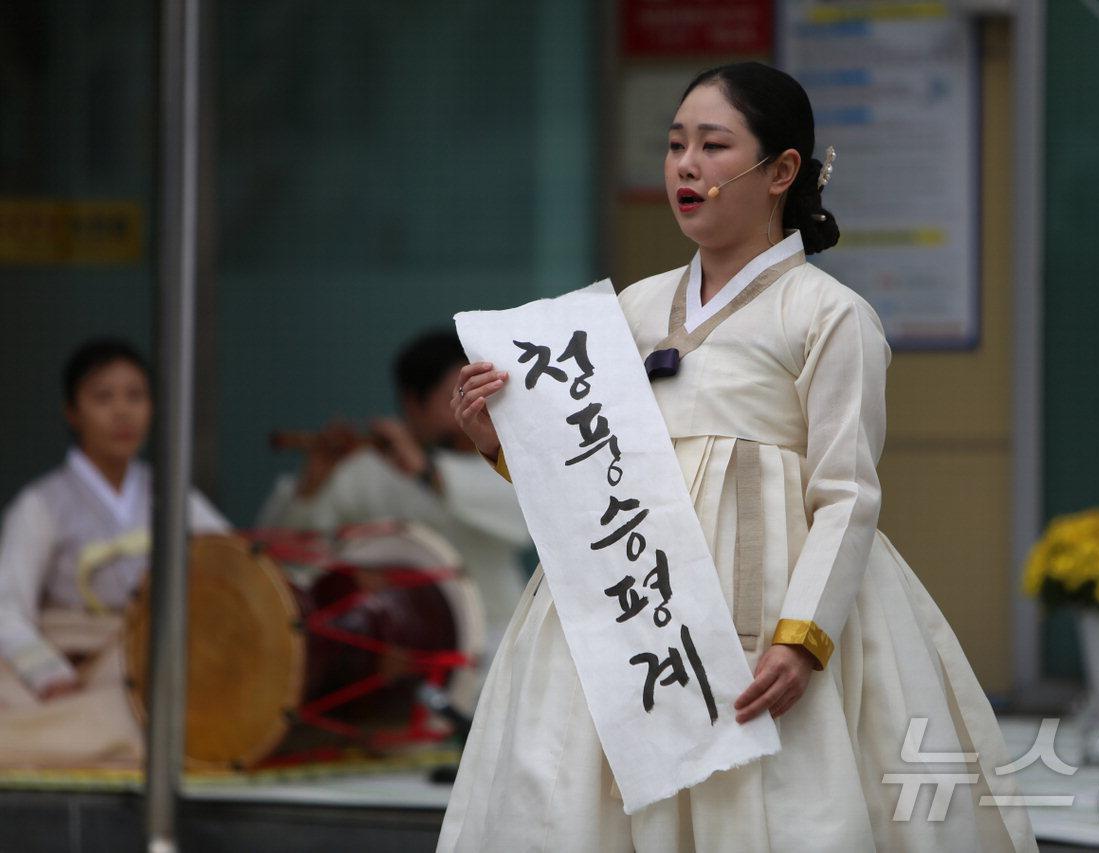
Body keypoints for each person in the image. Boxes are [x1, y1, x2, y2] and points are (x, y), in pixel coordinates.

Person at [438, 63, 1037, 852]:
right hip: (633, 608)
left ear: (782, 170)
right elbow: (586, 475)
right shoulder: (627, 310)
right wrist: (497, 439)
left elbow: (847, 494)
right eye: (676, 144)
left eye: (713, 145)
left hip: (774, 615)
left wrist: (803, 636)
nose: (685, 164)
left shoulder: (830, 315)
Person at [0, 338, 228, 765]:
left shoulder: (172, 496)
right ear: (73, 412)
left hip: (143, 652)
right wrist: (46, 672)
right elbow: (7, 604)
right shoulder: (42, 503)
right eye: (103, 397)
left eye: (135, 396)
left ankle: (89, 732)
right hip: (66, 655)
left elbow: (232, 564)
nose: (122, 412)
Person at [257, 328, 531, 663]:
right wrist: (311, 487)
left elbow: (525, 518)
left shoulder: (499, 457)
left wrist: (426, 473)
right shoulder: (365, 469)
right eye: (457, 396)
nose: (472, 409)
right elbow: (286, 560)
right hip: (397, 657)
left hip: (498, 642)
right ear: (412, 402)